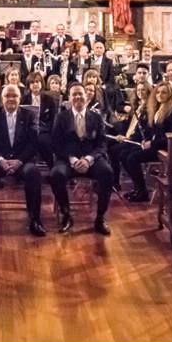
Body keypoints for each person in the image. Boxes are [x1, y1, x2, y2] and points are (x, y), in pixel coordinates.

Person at [0, 84, 44, 237]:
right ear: (2, 98)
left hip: (22, 160)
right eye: (8, 96)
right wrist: (0, 160)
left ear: (20, 98)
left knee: (33, 173)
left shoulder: (29, 115)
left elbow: (33, 143)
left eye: (15, 96)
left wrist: (20, 161)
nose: (11, 99)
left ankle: (35, 219)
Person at [49, 82, 115, 235]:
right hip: (68, 159)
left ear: (86, 96)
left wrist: (88, 159)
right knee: (56, 175)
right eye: (74, 94)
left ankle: (100, 218)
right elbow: (56, 144)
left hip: (91, 158)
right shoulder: (61, 117)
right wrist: (72, 159)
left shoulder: (96, 117)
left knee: (107, 173)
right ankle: (66, 215)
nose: (78, 97)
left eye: (81, 94)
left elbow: (102, 144)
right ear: (69, 98)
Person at [121, 81, 172, 202]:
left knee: (132, 158)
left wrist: (152, 143)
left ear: (170, 94)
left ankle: (142, 191)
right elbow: (152, 131)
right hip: (154, 145)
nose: (160, 95)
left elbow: (171, 137)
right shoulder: (157, 109)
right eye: (158, 92)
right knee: (124, 154)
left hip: (164, 148)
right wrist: (146, 140)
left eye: (164, 92)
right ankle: (137, 188)